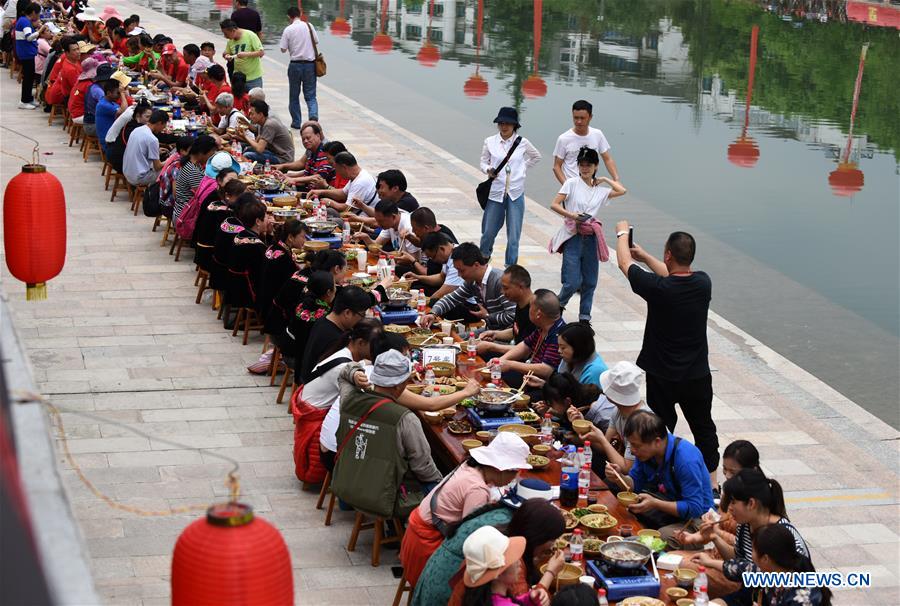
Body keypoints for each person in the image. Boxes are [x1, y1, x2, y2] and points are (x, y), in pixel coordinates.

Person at [616, 222, 719, 481]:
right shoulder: (703, 283)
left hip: (663, 375)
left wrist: (621, 232)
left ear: (668, 255)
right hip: (697, 375)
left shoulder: (658, 290)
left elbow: (624, 264)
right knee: (704, 428)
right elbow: (672, 274)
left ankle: (658, 478)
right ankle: (712, 482)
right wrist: (647, 257)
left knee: (660, 428)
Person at [400, 432, 532, 589]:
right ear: (502, 468)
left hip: (416, 534)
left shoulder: (470, 466)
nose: (515, 478)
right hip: (425, 547)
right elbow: (472, 536)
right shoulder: (477, 489)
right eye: (516, 472)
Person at [331, 350, 442, 518]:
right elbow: (423, 467)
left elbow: (343, 374)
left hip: (349, 487)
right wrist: (441, 482)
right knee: (441, 485)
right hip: (384, 498)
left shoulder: (349, 400)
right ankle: (396, 527)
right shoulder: (406, 418)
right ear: (398, 385)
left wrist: (355, 374)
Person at [413, 495, 561, 606]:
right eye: (552, 538)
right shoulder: (505, 560)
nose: (518, 565)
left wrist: (530, 597)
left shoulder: (493, 542)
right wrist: (549, 574)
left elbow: (518, 599)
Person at [605, 410, 713, 548]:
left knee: (662, 538)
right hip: (668, 501)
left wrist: (655, 503)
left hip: (698, 518)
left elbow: (695, 507)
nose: (632, 450)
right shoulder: (646, 454)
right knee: (623, 506)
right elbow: (634, 485)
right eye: (630, 444)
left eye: (636, 445)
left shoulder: (686, 459)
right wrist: (618, 477)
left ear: (656, 442)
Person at [549, 146, 627, 322]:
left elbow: (622, 191)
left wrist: (606, 179)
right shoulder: (571, 183)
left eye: (588, 165)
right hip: (573, 235)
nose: (585, 168)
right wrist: (572, 215)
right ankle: (557, 308)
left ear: (595, 166)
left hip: (591, 238)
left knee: (590, 282)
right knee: (572, 282)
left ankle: (584, 319)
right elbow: (554, 204)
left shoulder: (600, 191)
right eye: (582, 165)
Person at [479, 106, 541, 267]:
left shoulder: (522, 143)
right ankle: (483, 259)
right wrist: (488, 169)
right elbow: (483, 161)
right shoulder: (490, 141)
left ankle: (510, 268)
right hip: (495, 192)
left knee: (514, 236)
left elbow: (536, 157)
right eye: (501, 123)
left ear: (515, 125)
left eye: (508, 123)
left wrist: (522, 170)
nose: (504, 126)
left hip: (515, 193)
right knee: (488, 233)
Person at [710, 524, 830, 606]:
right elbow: (740, 568)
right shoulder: (770, 570)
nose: (751, 554)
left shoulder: (802, 597)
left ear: (766, 558)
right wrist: (707, 562)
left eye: (753, 550)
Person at [569, 361, 649, 475]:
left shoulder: (640, 422)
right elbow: (605, 447)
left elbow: (627, 469)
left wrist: (601, 439)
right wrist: (583, 425)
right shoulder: (618, 411)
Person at [423, 243, 516, 331]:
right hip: (490, 331)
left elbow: (513, 316)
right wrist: (433, 314)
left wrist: (487, 316)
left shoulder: (499, 281)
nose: (459, 275)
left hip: (505, 335)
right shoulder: (472, 282)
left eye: (462, 270)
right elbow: (451, 299)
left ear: (476, 265)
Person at [458, 526, 551, 606]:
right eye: (512, 558)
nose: (519, 562)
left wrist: (528, 599)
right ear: (498, 572)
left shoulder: (482, 599)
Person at [299, 285, 372, 382]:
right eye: (362, 315)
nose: (362, 319)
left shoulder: (323, 320)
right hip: (321, 389)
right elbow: (342, 370)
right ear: (347, 313)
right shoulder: (335, 339)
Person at [495, 289, 566, 383]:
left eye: (530, 307)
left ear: (538, 314)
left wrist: (510, 364)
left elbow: (546, 369)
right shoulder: (543, 325)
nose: (528, 309)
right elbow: (525, 345)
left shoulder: (558, 334)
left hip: (542, 384)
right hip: (530, 374)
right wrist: (501, 360)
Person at [552, 99, 619, 184]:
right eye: (576, 118)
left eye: (582, 118)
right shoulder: (563, 139)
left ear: (590, 117)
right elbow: (556, 167)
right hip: (572, 186)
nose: (579, 122)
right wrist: (567, 187)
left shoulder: (597, 134)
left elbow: (607, 159)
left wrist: (616, 179)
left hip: (590, 185)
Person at [475, 264, 535, 357]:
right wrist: (494, 334)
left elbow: (527, 349)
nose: (502, 292)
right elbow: (517, 331)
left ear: (521, 287)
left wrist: (492, 347)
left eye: (506, 288)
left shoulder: (534, 311)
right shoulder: (520, 304)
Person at [279, 6, 318, 128]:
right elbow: (316, 41)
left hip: (295, 65)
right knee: (311, 95)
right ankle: (313, 118)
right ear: (300, 14)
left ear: (289, 17)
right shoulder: (309, 26)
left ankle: (296, 122)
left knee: (294, 95)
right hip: (310, 65)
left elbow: (283, 49)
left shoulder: (288, 29)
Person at [350, 201, 421, 261]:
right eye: (377, 221)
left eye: (380, 221)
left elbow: (415, 259)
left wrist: (389, 256)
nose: (378, 224)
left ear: (393, 217)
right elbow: (376, 247)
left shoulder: (408, 227)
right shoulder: (390, 224)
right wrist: (366, 237)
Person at [309, 151, 376, 213]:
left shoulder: (361, 182)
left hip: (362, 220)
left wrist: (330, 203)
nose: (337, 172)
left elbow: (347, 208)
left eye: (337, 169)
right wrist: (320, 192)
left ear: (344, 167)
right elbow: (343, 194)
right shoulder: (358, 175)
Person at [403, 232, 463, 300]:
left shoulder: (457, 259)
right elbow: (441, 277)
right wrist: (417, 277)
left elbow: (443, 292)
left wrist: (422, 303)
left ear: (442, 249)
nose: (433, 261)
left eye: (433, 257)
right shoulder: (449, 254)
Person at [275, 121, 332, 189]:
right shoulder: (311, 151)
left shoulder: (324, 151)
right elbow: (307, 173)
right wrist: (287, 176)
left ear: (318, 135)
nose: (305, 141)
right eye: (303, 139)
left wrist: (293, 179)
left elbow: (319, 176)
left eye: (308, 138)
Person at [173, 135, 217, 222]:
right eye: (211, 155)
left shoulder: (192, 162)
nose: (212, 158)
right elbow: (204, 197)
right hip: (186, 217)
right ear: (201, 153)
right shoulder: (193, 171)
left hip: (183, 211)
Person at [236, 99, 294, 165]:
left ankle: (251, 172)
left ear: (260, 114)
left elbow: (259, 149)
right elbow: (256, 141)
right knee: (247, 149)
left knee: (247, 155)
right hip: (274, 152)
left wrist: (245, 136)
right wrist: (245, 128)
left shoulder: (269, 125)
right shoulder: (262, 122)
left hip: (282, 158)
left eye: (252, 114)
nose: (250, 116)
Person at [123, 109, 168, 187]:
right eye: (163, 126)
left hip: (128, 172)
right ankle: (160, 196)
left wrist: (156, 151)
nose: (163, 129)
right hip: (139, 177)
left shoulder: (137, 130)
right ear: (160, 123)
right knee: (170, 170)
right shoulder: (153, 139)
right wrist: (169, 160)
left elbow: (140, 151)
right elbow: (157, 166)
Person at [14, 2, 44, 109]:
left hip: (27, 52)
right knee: (28, 78)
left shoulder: (24, 20)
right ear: (33, 13)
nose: (38, 16)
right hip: (26, 53)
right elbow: (29, 37)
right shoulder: (25, 22)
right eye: (38, 13)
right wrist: (40, 31)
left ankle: (29, 99)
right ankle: (24, 101)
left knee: (30, 77)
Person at [220, 18, 263, 89]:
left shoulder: (250, 35)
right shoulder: (230, 40)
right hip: (238, 78)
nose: (225, 36)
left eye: (226, 34)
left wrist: (246, 54)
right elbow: (226, 53)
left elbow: (261, 52)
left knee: (255, 99)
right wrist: (226, 56)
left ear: (233, 30)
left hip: (253, 78)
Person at [44, 36, 82, 106]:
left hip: (57, 87)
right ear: (67, 52)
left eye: (78, 49)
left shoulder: (71, 60)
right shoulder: (70, 68)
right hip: (58, 93)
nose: (78, 52)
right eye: (74, 50)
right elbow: (77, 88)